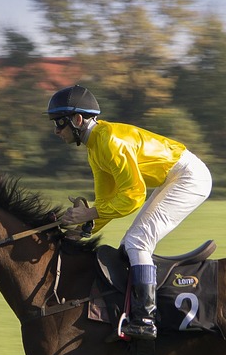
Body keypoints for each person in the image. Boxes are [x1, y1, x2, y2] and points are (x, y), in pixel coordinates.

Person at [47, 85, 213, 340]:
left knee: (138, 242)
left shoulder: (110, 141)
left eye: (59, 123)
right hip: (174, 178)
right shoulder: (95, 148)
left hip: (189, 177)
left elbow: (133, 197)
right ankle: (136, 312)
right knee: (129, 245)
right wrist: (80, 230)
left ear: (77, 119)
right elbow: (106, 202)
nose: (56, 131)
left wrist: (89, 214)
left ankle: (145, 320)